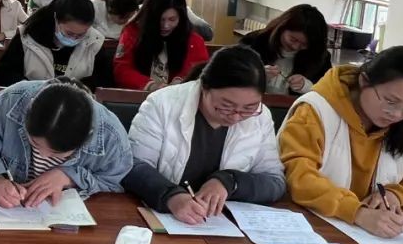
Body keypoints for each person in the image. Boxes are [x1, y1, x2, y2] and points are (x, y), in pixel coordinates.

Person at [278, 46, 403, 238]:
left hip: (372, 238)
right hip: (309, 230)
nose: (397, 114)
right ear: (364, 81)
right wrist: (357, 212)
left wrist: (395, 195)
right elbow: (299, 179)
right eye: (390, 101)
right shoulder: (315, 111)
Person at [122, 46, 286, 223]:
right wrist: (171, 196)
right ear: (204, 87)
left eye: (249, 108)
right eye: (226, 106)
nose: (236, 116)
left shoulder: (261, 117)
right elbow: (132, 166)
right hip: (161, 218)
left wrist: (229, 181)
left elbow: (275, 182)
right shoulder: (163, 104)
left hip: (220, 224)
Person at [0, 77, 133, 207]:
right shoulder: (6, 102)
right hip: (4, 212)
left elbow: (113, 183)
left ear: (88, 136)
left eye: (56, 154)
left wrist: (69, 177)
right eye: (34, 143)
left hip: (66, 219)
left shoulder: (111, 137)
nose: (43, 155)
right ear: (27, 112)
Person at [0, 0, 109, 89]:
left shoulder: (94, 42)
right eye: (69, 33)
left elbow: (104, 82)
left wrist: (79, 88)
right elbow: (4, 75)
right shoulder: (28, 37)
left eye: (81, 35)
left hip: (76, 105)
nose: (74, 38)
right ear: (56, 20)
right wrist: (33, 88)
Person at [114, 0, 209, 91]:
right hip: (137, 95)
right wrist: (150, 85)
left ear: (181, 18)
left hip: (177, 96)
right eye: (160, 19)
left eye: (172, 19)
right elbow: (121, 69)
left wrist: (180, 81)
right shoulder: (133, 32)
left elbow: (199, 71)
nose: (165, 25)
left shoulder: (193, 40)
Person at [240, 4, 331, 95]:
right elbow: (233, 78)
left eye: (304, 44)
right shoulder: (253, 43)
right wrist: (255, 77)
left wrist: (306, 86)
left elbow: (328, 92)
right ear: (281, 28)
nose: (295, 47)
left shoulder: (320, 57)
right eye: (293, 39)